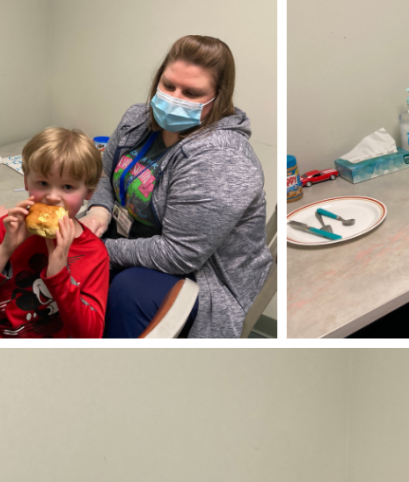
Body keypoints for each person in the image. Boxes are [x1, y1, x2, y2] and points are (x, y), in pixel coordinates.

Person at [78, 35, 273, 339]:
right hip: (134, 242)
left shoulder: (222, 159)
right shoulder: (136, 120)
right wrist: (99, 212)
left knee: (125, 290)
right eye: (168, 86)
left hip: (200, 273)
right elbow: (104, 172)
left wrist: (96, 249)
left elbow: (179, 255)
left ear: (217, 99)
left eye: (192, 93)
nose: (174, 98)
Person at [0, 127, 109, 339]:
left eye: (67, 187)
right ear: (26, 180)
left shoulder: (94, 253)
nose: (53, 197)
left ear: (89, 192)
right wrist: (6, 248)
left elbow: (91, 336)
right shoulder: (7, 227)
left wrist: (59, 274)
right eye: (43, 183)